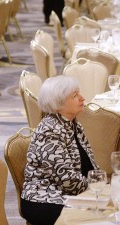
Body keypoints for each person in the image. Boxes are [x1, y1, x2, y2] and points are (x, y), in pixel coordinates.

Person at [20, 76, 99, 225]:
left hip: (70, 194)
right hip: (44, 199)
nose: (82, 98)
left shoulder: (73, 125)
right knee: (98, 217)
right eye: (75, 96)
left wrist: (99, 186)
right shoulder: (50, 131)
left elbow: (90, 165)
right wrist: (95, 189)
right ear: (58, 104)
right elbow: (67, 181)